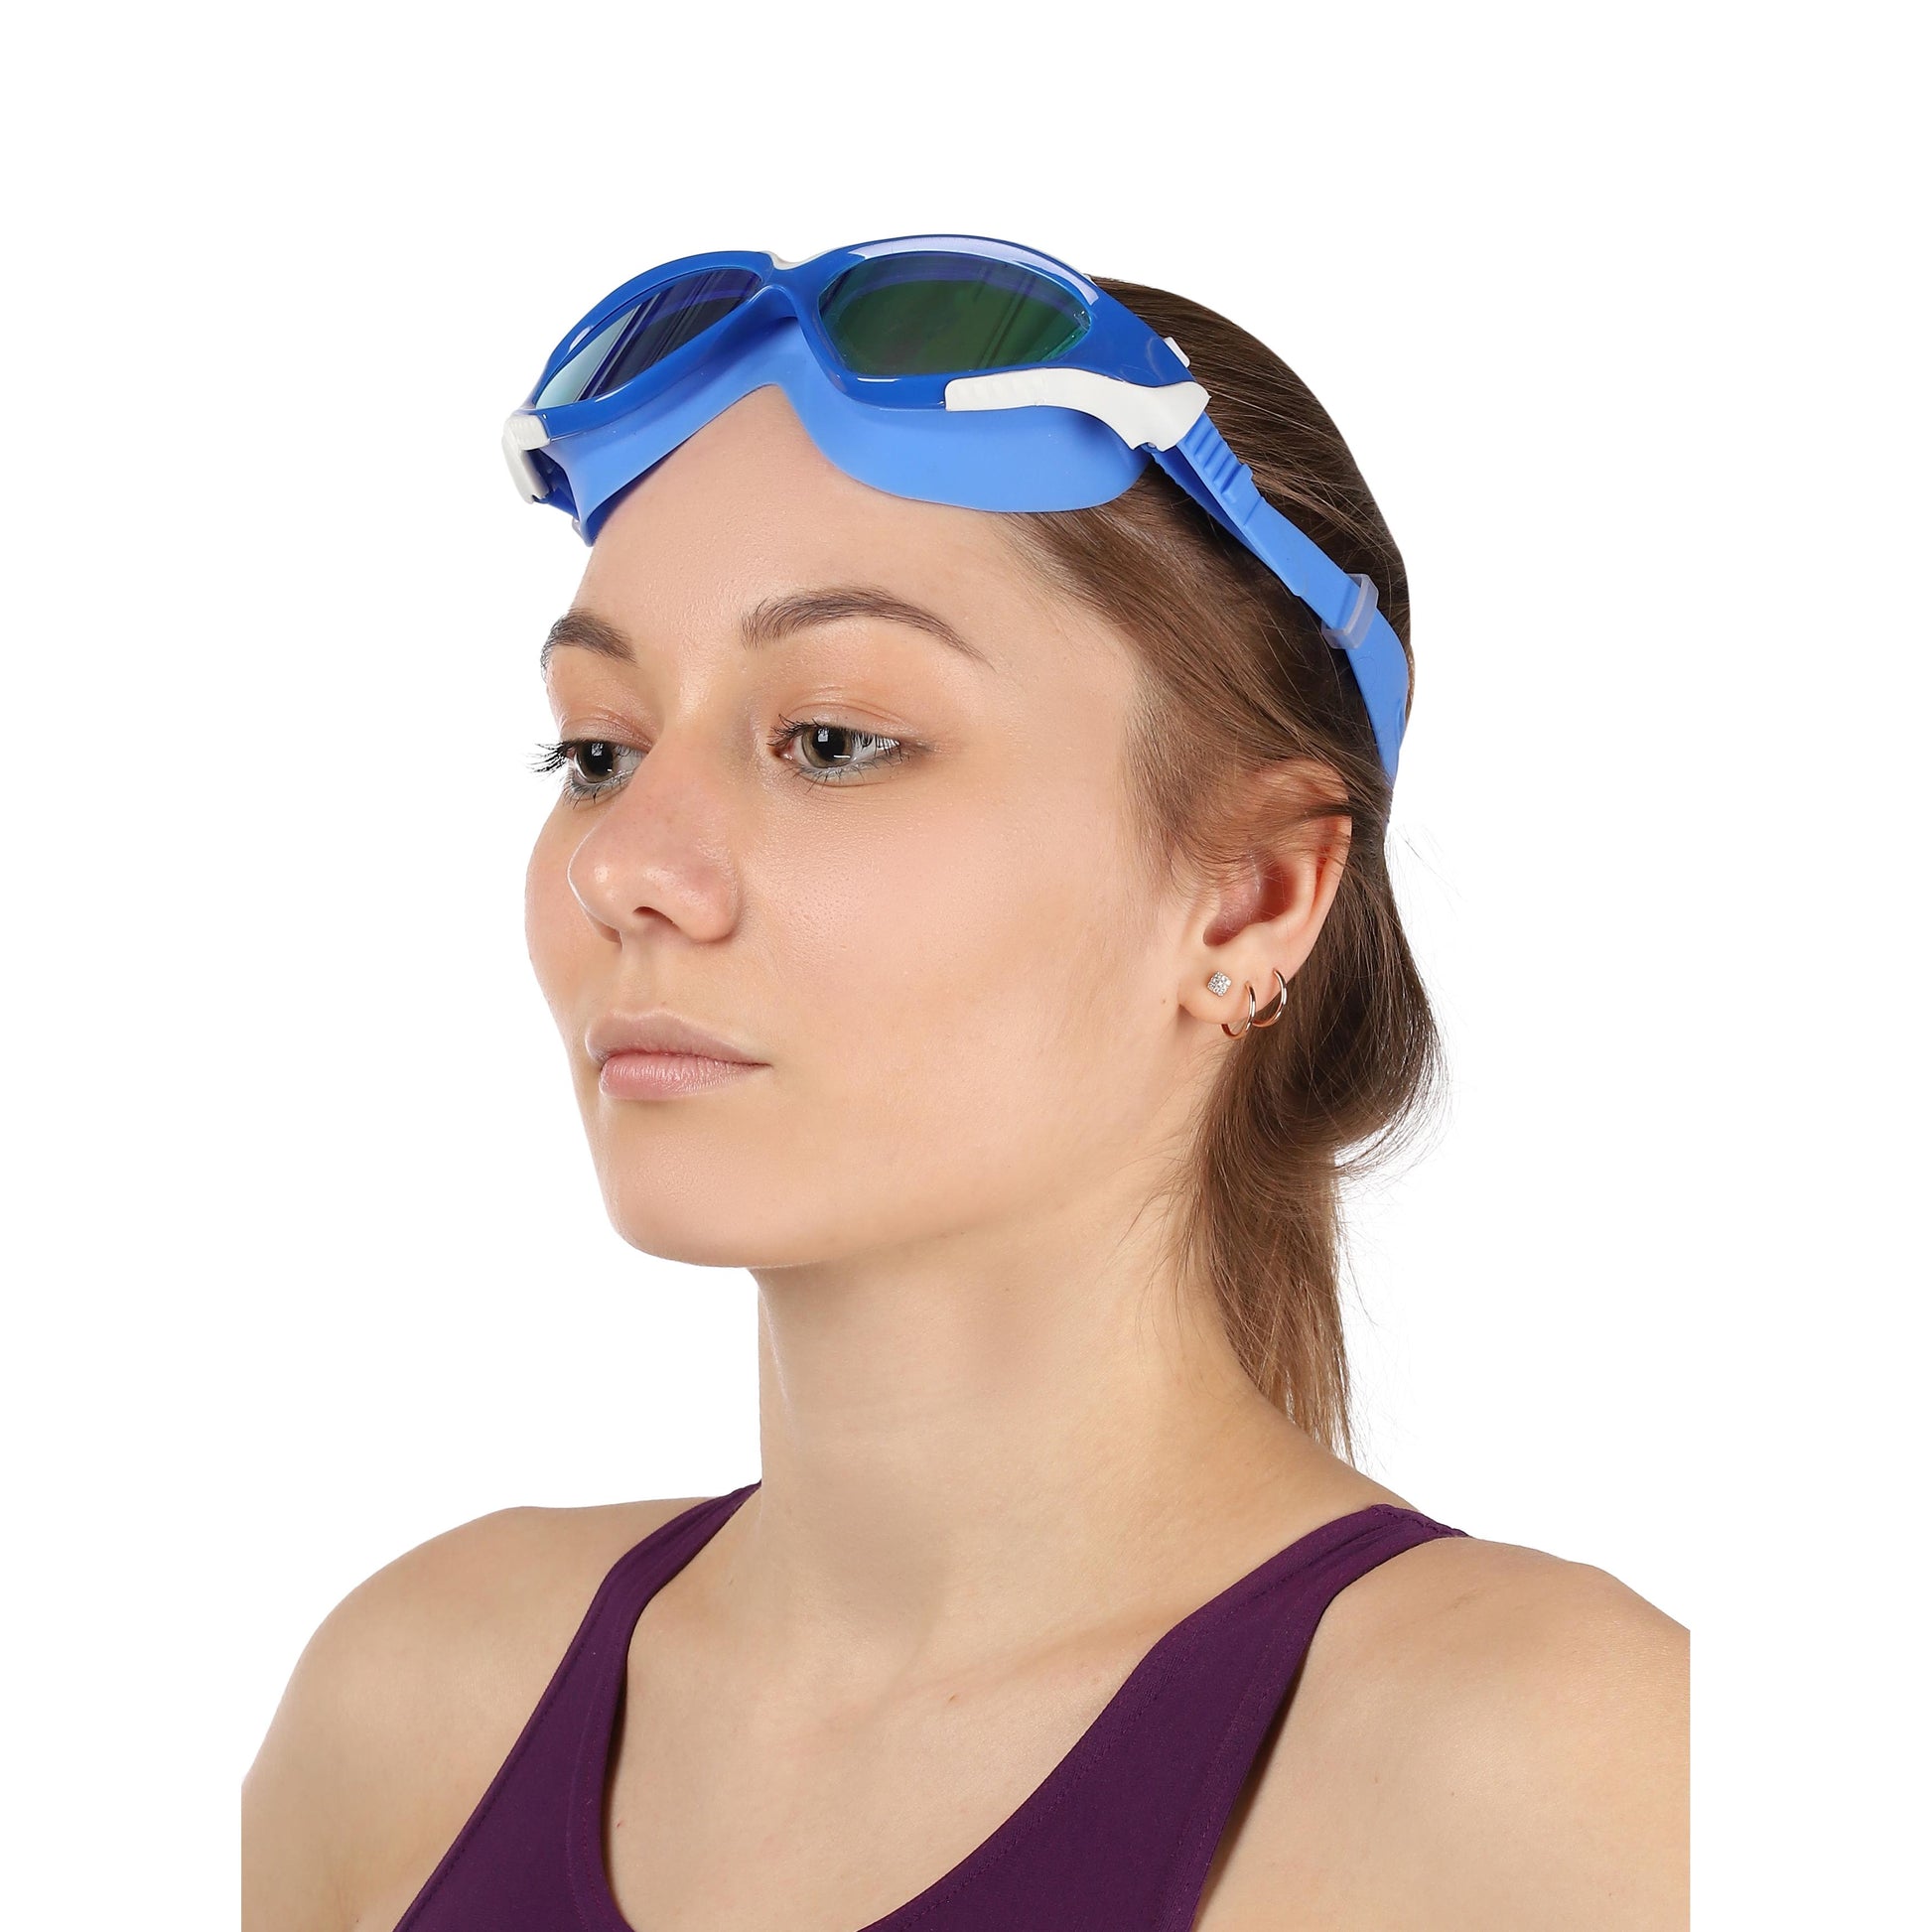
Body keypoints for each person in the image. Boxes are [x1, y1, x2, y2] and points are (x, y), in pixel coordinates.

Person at [241, 238, 1688, 1931]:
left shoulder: (1556, 1766)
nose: (622, 865)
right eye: (599, 749)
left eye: (834, 740)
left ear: (1249, 897)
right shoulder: (412, 1710)